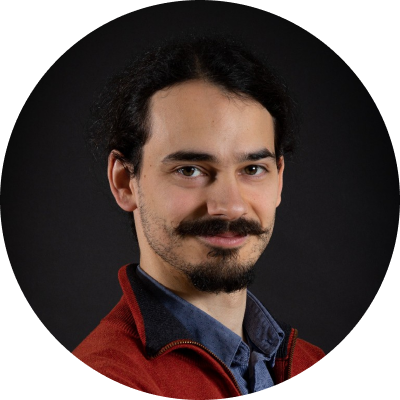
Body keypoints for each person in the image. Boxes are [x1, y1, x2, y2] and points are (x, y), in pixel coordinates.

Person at [72, 35, 325, 397]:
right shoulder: (113, 374)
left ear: (279, 179)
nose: (231, 206)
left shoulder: (308, 361)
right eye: (190, 170)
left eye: (253, 169)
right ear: (125, 182)